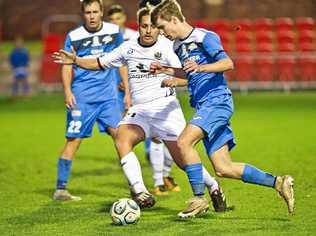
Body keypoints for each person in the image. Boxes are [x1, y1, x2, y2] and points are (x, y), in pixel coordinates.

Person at [53, 7, 227, 212]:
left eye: (153, 26)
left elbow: (188, 74)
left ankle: (214, 186)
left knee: (182, 160)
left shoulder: (169, 46)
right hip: (141, 112)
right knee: (121, 137)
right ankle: (140, 191)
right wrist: (75, 60)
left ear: (158, 27)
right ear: (138, 26)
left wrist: (173, 81)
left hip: (166, 110)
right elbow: (99, 63)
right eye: (144, 26)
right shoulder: (128, 48)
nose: (148, 30)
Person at [149, 0, 294, 218]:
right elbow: (190, 74)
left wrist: (202, 67)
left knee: (183, 142)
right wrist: (166, 70)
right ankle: (278, 182)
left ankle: (198, 198)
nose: (161, 33)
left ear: (174, 19)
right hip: (204, 105)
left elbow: (227, 63)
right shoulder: (177, 46)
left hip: (217, 101)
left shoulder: (205, 37)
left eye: (162, 27)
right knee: (223, 168)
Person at [52, 0, 126, 201]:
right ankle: (61, 189)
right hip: (82, 98)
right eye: (88, 12)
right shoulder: (74, 37)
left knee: (121, 137)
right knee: (73, 141)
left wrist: (127, 90)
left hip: (109, 98)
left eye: (95, 11)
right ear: (82, 14)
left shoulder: (114, 31)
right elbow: (67, 65)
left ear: (102, 12)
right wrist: (67, 91)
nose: (92, 16)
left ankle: (135, 187)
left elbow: (122, 60)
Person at [108, 2, 180, 196]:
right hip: (136, 97)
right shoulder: (126, 41)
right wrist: (127, 88)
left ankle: (164, 175)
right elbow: (120, 61)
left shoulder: (163, 36)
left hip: (161, 97)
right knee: (147, 139)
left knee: (173, 143)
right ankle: (155, 181)